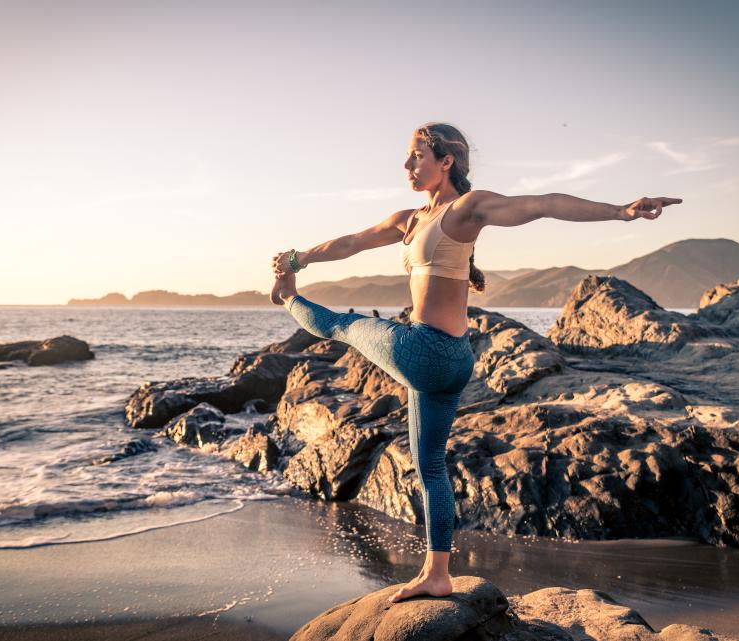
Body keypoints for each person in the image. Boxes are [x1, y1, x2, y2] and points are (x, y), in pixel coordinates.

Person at [269, 122, 682, 604]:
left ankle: (287, 298)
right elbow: (351, 242)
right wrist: (300, 256)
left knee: (340, 325)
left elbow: (541, 204)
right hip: (451, 360)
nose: (407, 165)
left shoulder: (466, 209)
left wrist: (621, 211)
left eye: (417, 155)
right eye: (407, 156)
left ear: (446, 162)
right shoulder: (409, 219)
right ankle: (437, 572)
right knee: (429, 466)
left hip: (423, 351)